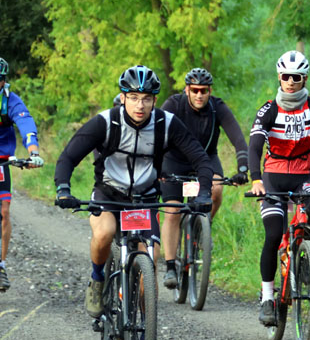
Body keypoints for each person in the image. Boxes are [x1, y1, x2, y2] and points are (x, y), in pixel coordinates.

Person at [55, 65, 214, 318]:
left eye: (146, 99)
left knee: (147, 275)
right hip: (109, 195)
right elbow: (69, 156)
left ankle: (144, 339)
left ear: (154, 100)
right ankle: (97, 281)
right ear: (123, 97)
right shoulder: (106, 122)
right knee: (105, 233)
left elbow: (201, 159)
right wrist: (63, 188)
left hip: (145, 199)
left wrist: (204, 192)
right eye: (133, 98)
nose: (140, 105)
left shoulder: (166, 124)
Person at [249, 50, 310, 326]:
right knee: (274, 234)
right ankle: (266, 298)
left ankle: (307, 254)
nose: (290, 82)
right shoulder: (269, 109)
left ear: (304, 78)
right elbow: (254, 145)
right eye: (285, 76)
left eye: (296, 77)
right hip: (273, 178)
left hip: (302, 177)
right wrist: (255, 179)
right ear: (279, 76)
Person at [159, 67, 249, 289]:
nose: (200, 95)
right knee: (172, 211)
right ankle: (170, 265)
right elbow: (156, 134)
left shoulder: (217, 108)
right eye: (195, 90)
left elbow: (237, 137)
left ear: (210, 91)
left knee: (217, 189)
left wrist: (243, 168)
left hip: (205, 160)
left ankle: (200, 229)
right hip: (174, 161)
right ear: (187, 90)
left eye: (204, 90)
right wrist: (156, 168)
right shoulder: (174, 105)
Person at [0, 57, 44, 291]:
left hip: (1, 160)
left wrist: (33, 152)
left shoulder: (9, 101)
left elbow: (26, 125)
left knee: (4, 211)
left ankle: (0, 265)